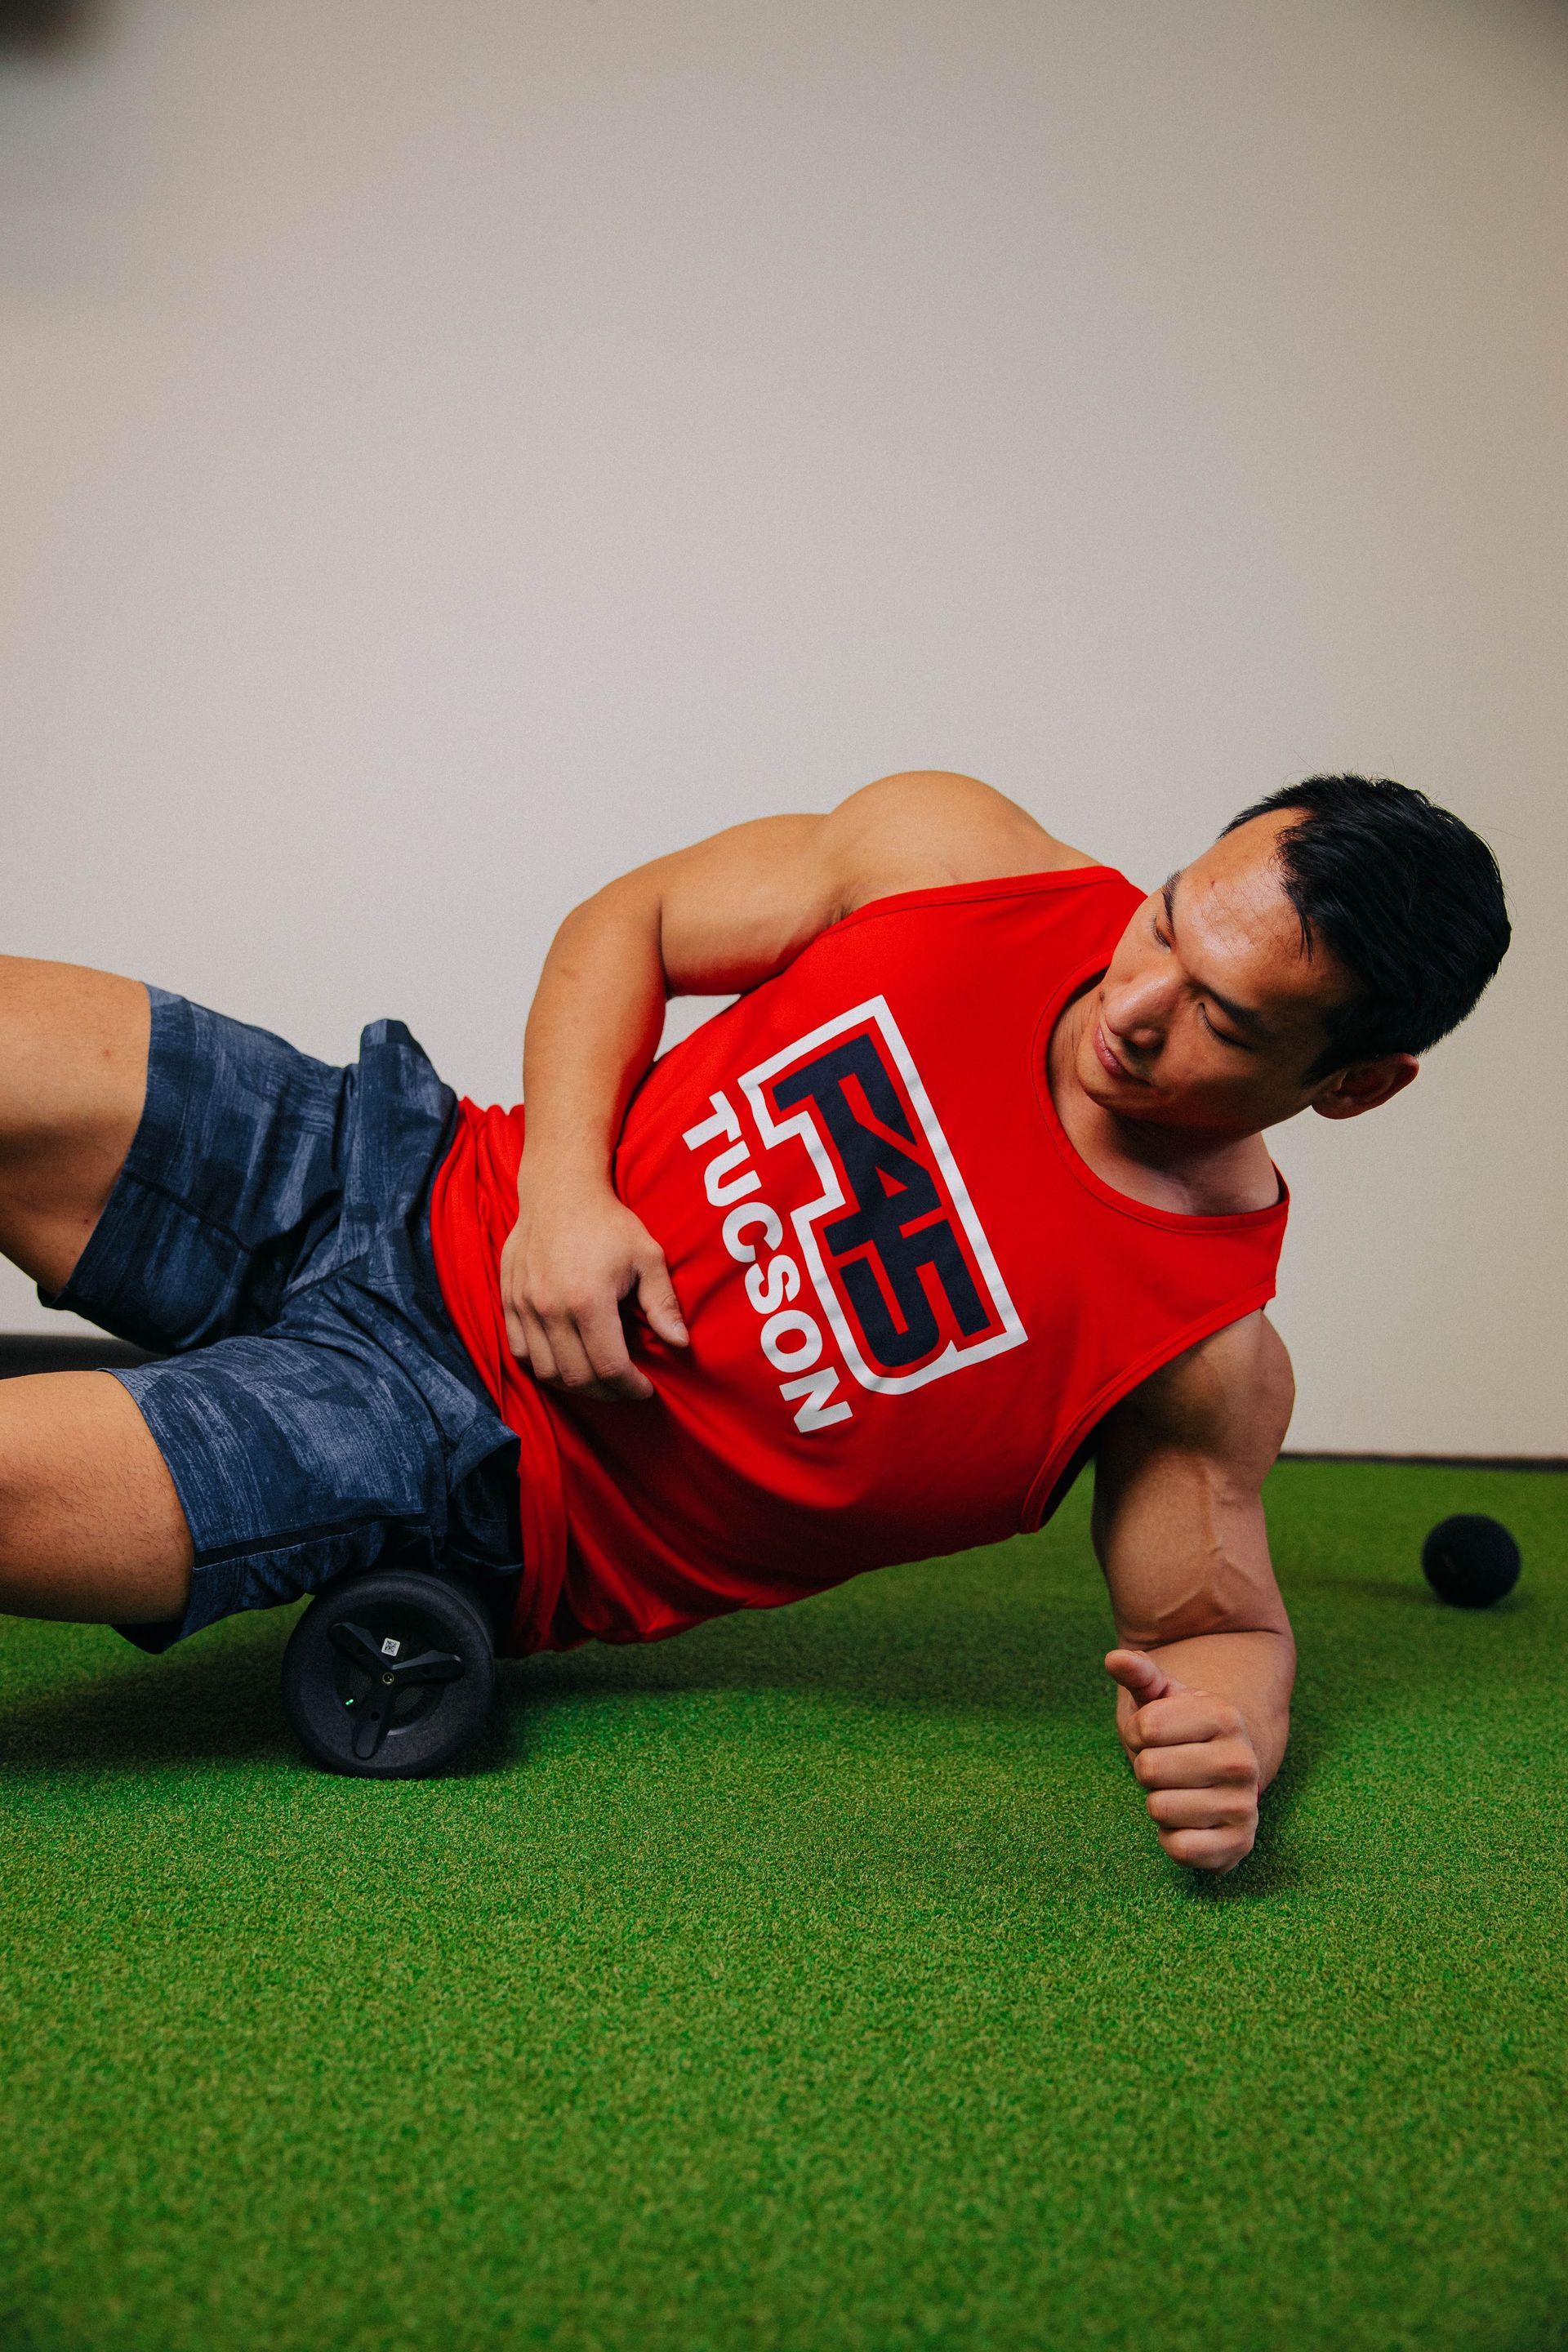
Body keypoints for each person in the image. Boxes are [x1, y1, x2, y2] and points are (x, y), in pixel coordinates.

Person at [0, 771, 1509, 1871]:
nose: (1137, 999)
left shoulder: (1196, 1353)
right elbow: (634, 919)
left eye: (1226, 1018)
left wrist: (1230, 1736)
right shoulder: (959, 857)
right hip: (401, 1166)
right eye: (1168, 922)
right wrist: (566, 1196)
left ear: (1356, 1084)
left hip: (463, 1464)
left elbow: (1216, 1621)